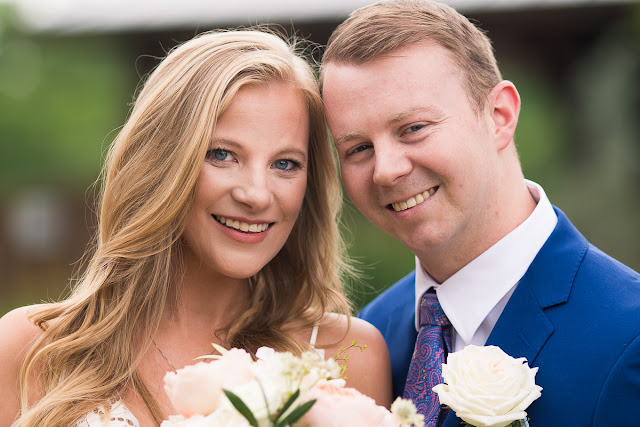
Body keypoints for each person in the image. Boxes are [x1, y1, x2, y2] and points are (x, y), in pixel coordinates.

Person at [0, 29, 392, 426]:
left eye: (285, 164)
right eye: (222, 154)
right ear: (164, 162)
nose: (256, 194)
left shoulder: (349, 355)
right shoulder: (28, 347)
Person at [320, 0, 640, 425]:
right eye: (358, 148)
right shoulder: (371, 335)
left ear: (500, 116)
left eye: (413, 129)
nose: (386, 170)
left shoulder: (629, 336)